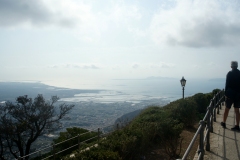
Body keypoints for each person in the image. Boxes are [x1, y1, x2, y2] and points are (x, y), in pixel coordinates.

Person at [221, 61, 240, 131]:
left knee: (227, 108)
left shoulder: (229, 73)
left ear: (231, 66)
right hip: (238, 94)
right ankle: (237, 126)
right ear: (237, 66)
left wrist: (225, 93)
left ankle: (224, 122)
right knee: (237, 110)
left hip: (230, 93)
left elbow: (227, 84)